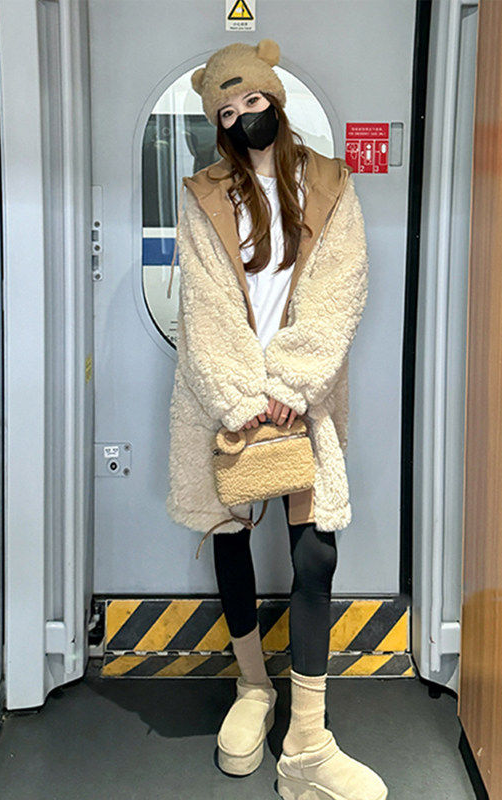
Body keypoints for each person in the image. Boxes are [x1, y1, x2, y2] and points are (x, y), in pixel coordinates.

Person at [165, 39, 386, 800]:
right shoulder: (204, 194)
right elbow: (205, 304)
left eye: (251, 101)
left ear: (275, 99)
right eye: (226, 111)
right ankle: (253, 687)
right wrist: (242, 394)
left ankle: (308, 740)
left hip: (302, 393)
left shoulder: (329, 182)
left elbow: (342, 286)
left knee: (314, 550)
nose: (242, 117)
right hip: (226, 394)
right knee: (229, 532)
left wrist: (292, 380)